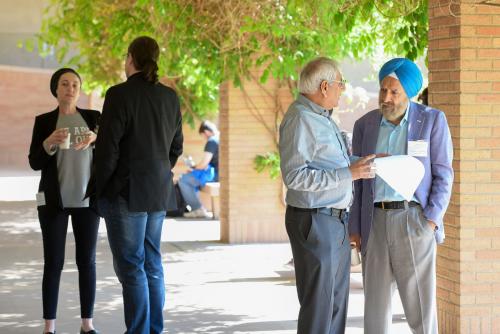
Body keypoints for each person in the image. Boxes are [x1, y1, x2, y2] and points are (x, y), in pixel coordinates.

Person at [349, 58, 453, 334]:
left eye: (394, 92)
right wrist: (355, 227)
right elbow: (357, 183)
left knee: (420, 307)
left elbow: (444, 174)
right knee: (375, 309)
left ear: (409, 92)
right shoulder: (364, 125)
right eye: (384, 90)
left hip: (414, 220)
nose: (386, 97)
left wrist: (431, 220)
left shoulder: (431, 121)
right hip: (374, 222)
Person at [279, 57, 376, 334]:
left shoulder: (322, 117)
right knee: (319, 309)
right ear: (324, 86)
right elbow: (295, 176)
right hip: (315, 221)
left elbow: (334, 163)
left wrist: (366, 161)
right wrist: (350, 173)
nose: (342, 90)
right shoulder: (300, 119)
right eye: (340, 84)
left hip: (334, 222)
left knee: (335, 306)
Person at [94, 36, 183, 334]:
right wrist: (157, 171)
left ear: (130, 58)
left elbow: (108, 150)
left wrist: (99, 189)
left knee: (132, 267)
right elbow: (176, 147)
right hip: (157, 192)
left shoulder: (118, 94)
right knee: (152, 265)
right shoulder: (170, 97)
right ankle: (153, 330)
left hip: (126, 193)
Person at [28, 68, 100, 334]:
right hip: (53, 202)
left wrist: (97, 138)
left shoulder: (93, 118)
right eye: (64, 84)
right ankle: (50, 327)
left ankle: (87, 325)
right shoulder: (45, 121)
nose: (70, 88)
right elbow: (34, 162)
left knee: (87, 262)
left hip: (88, 202)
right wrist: (49, 142)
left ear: (79, 90)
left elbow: (111, 152)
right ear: (55, 89)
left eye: (75, 84)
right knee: (54, 262)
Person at [178, 120, 219, 218]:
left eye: (203, 136)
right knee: (190, 178)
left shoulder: (212, 141)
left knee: (183, 180)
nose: (204, 138)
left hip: (215, 176)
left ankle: (197, 209)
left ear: (206, 132)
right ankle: (197, 208)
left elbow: (204, 164)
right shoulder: (220, 137)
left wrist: (193, 167)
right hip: (219, 174)